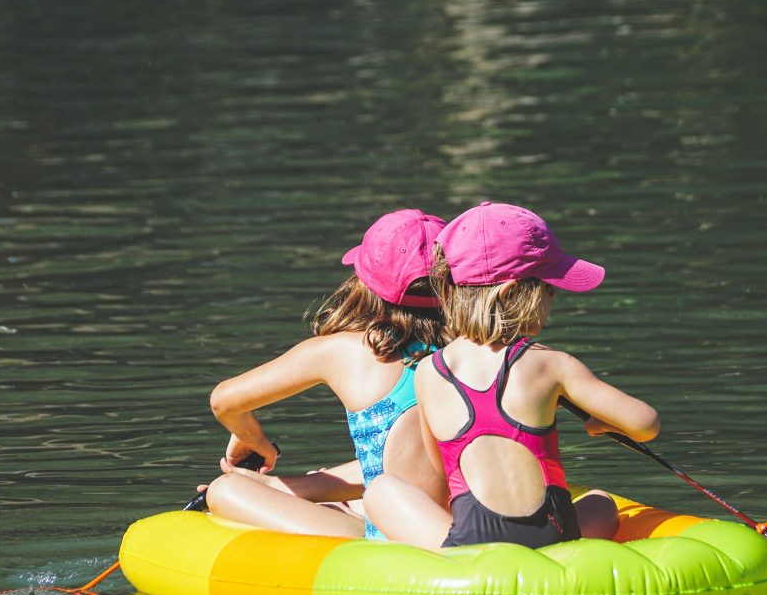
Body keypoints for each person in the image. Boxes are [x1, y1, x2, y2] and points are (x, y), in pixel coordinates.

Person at [364, 202, 660, 550]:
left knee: (381, 491)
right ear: (512, 292)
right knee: (602, 502)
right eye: (549, 290)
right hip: (553, 538)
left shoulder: (429, 370)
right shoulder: (552, 364)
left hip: (471, 544)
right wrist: (600, 423)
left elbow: (441, 470)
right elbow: (646, 424)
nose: (552, 301)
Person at [202, 208, 450, 538]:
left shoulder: (342, 350)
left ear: (364, 282)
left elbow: (224, 401)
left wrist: (252, 438)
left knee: (223, 490)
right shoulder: (474, 350)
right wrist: (279, 485)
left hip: (394, 541)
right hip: (453, 525)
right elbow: (418, 466)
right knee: (335, 482)